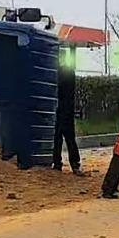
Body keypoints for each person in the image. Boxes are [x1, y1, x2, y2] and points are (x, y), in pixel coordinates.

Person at [52, 45, 81, 173]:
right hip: (67, 109)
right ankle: (74, 164)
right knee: (69, 138)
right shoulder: (69, 71)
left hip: (58, 109)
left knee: (57, 137)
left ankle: (57, 163)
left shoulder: (55, 72)